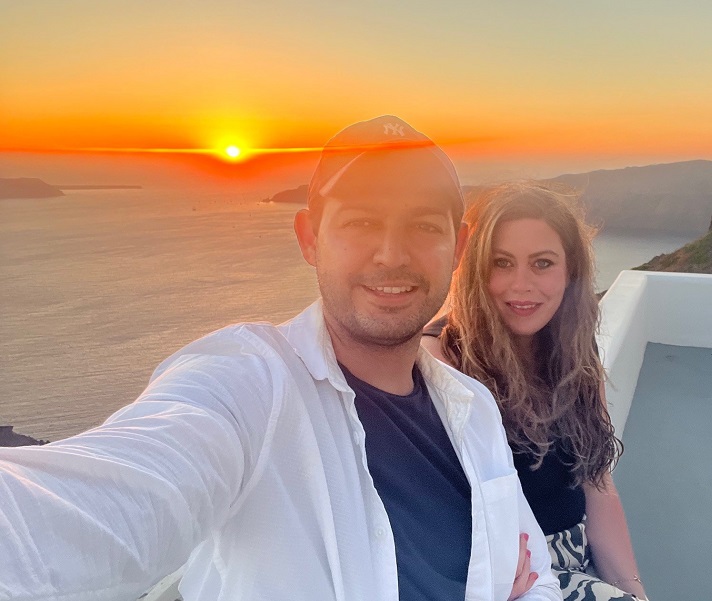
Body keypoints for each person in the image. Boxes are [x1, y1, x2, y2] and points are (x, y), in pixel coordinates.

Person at [0, 116, 560, 601]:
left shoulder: (473, 408)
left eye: (423, 225)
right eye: (361, 222)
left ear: (457, 248)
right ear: (310, 238)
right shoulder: (249, 383)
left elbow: (536, 576)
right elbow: (97, 507)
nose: (392, 254)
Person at [421, 183, 649, 601]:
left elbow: (596, 484)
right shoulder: (441, 360)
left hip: (578, 559)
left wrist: (634, 590)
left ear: (570, 270)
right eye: (501, 263)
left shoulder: (575, 351)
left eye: (542, 263)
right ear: (474, 269)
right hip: (507, 578)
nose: (521, 285)